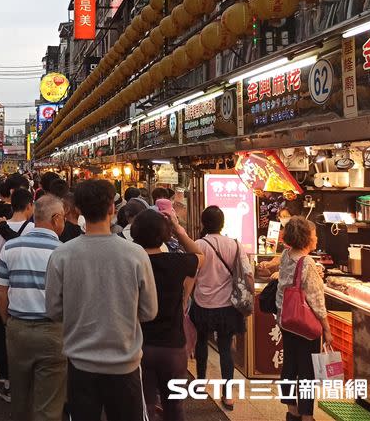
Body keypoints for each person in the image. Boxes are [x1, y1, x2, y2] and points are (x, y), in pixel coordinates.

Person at [45, 179, 158, 421]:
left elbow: (53, 310)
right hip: (125, 365)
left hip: (81, 365)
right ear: (112, 209)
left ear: (77, 210)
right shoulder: (135, 254)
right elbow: (149, 311)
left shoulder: (61, 254)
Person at [0, 195, 66, 421]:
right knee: (49, 403)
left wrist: (8, 321)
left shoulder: (12, 247)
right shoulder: (65, 251)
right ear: (55, 219)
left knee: (20, 394)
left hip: (18, 329)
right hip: (53, 331)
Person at [131, 210, 202, 421]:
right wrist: (178, 230)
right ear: (164, 234)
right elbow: (201, 256)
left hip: (139, 344)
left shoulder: (131, 262)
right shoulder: (177, 262)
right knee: (174, 406)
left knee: (146, 405)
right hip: (172, 347)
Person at [191, 205, 249, 410]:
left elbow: (193, 275)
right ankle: (228, 394)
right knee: (226, 349)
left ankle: (199, 382)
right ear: (222, 223)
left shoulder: (199, 244)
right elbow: (246, 273)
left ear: (203, 223)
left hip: (203, 302)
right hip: (227, 305)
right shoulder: (234, 244)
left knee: (201, 343)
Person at [276, 217, 330, 421]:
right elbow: (316, 300)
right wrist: (327, 328)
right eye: (314, 234)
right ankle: (307, 416)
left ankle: (292, 411)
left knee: (290, 364)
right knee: (307, 370)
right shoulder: (306, 261)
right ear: (306, 238)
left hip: (288, 320)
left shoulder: (286, 255)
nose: (316, 238)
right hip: (305, 325)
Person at [0, 188, 35, 402]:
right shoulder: (34, 229)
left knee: (0, 329)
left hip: (0, 285)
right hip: (26, 287)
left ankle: (3, 374)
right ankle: (26, 378)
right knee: (26, 331)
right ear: (30, 206)